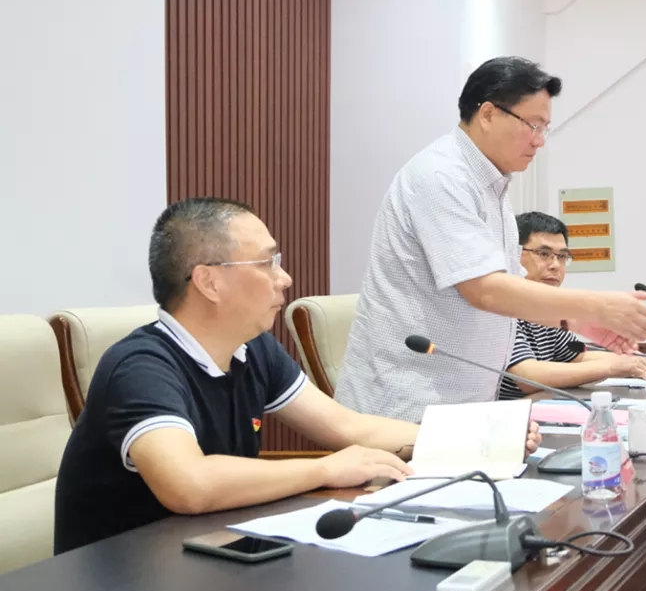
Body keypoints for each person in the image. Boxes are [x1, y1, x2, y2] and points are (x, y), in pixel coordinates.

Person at [53, 197, 540, 554]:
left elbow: (348, 426)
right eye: (267, 263)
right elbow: (190, 484)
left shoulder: (252, 349)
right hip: (116, 588)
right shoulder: (141, 366)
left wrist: (480, 440)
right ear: (209, 281)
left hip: (207, 554)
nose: (284, 278)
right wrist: (325, 469)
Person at [335, 56, 646, 422]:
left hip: (459, 405)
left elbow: (512, 288)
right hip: (406, 405)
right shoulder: (442, 177)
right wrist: (597, 306)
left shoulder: (489, 186)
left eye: (545, 128)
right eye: (533, 125)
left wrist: (576, 322)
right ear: (488, 114)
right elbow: (485, 290)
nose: (539, 141)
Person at [499, 212, 646, 399]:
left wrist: (638, 362)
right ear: (514, 254)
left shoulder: (548, 307)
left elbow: (577, 357)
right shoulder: (500, 306)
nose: (555, 265)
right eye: (544, 254)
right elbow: (528, 377)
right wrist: (612, 367)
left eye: (562, 256)